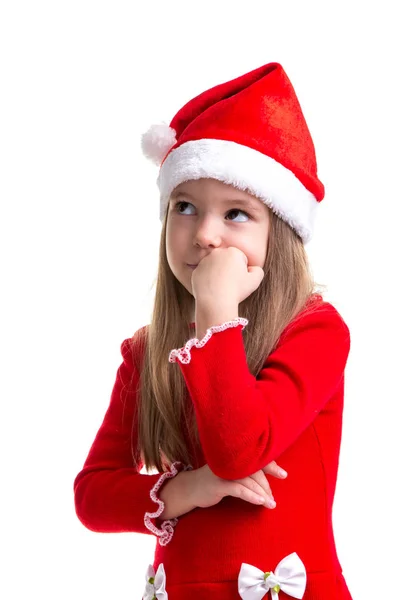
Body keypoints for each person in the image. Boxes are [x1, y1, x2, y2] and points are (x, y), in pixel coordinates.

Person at [74, 61, 353, 600]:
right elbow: (92, 496)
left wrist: (217, 311)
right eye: (185, 207)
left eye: (237, 214)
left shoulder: (315, 330)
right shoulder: (148, 350)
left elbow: (237, 452)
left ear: (282, 233)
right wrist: (186, 490)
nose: (204, 234)